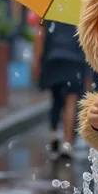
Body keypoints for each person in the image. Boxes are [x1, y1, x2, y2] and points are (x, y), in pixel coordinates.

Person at [32, 20, 87, 160]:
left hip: (53, 58)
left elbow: (40, 35)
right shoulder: (80, 11)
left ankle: (54, 136)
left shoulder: (51, 9)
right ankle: (67, 143)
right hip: (74, 59)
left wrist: (36, 61)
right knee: (71, 99)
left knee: (56, 99)